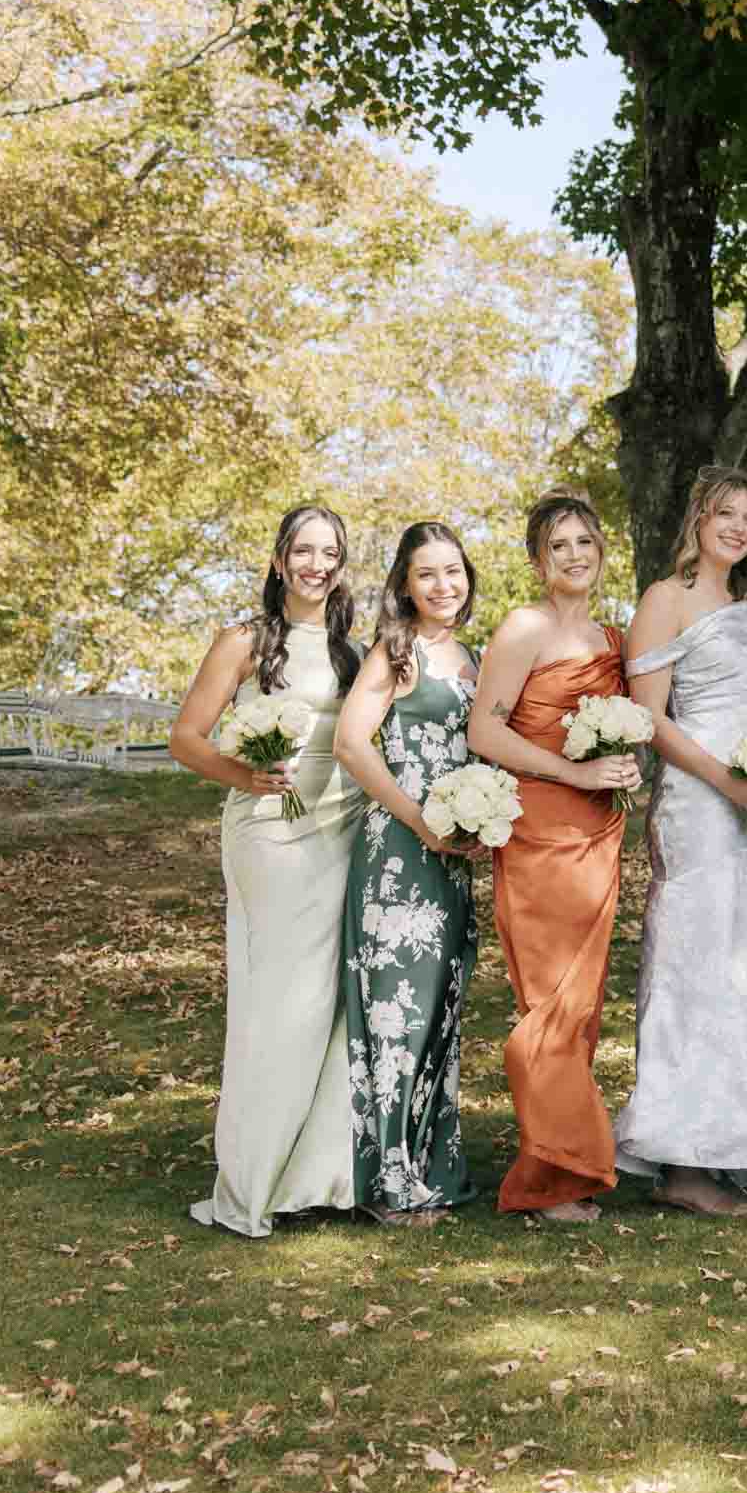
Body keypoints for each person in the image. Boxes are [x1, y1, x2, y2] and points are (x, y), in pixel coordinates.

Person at [614, 467, 747, 1213]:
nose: (738, 527)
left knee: (746, 968)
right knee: (694, 962)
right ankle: (681, 1163)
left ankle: (730, 1143)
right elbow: (650, 719)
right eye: (725, 512)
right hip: (698, 801)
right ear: (698, 518)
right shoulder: (666, 600)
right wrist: (725, 780)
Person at [169, 505, 365, 1236]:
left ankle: (316, 1176)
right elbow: (185, 739)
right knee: (281, 1003)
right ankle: (253, 1176)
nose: (317, 565)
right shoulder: (245, 641)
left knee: (331, 1002)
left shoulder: (354, 650)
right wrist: (242, 775)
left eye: (330, 553)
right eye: (304, 552)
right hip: (270, 834)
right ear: (280, 561)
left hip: (342, 832)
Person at [466, 492, 642, 1222]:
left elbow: (619, 727)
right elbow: (485, 730)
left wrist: (622, 763)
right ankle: (550, 1177)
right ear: (539, 562)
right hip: (542, 829)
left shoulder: (613, 636)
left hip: (601, 831)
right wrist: (573, 773)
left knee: (583, 1004)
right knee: (549, 1001)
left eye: (584, 542)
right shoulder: (524, 627)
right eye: (559, 546)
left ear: (602, 550)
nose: (575, 555)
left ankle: (562, 1162)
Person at [330, 520, 485, 1226]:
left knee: (440, 1011)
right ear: (405, 583)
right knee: (396, 1015)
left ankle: (428, 1164)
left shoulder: (477, 659)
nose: (442, 586)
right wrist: (419, 817)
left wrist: (481, 821)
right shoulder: (394, 652)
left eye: (453, 571)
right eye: (427, 574)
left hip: (454, 856)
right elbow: (351, 744)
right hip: (398, 849)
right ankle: (390, 1179)